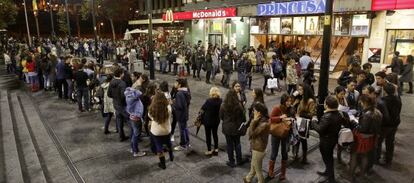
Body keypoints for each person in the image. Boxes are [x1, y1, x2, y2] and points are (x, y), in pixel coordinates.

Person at [311, 95, 345, 183]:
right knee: (329, 158)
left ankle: (331, 179)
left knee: (328, 159)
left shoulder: (327, 116)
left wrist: (314, 121)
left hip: (326, 141)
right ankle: (328, 173)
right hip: (333, 139)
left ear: (327, 105)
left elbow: (319, 129)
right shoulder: (339, 113)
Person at [350, 95, 382, 181]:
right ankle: (362, 174)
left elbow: (362, 129)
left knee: (354, 156)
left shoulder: (367, 115)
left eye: (361, 101)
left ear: (364, 103)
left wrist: (354, 122)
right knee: (365, 156)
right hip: (371, 138)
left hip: (362, 139)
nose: (359, 103)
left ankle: (352, 175)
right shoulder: (377, 112)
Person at [268, 94, 294, 180]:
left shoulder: (291, 109)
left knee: (284, 153)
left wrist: (291, 120)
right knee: (274, 152)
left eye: (290, 101)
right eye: (288, 101)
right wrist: (280, 117)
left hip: (286, 134)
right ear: (283, 101)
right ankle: (270, 171)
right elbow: (271, 119)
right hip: (276, 133)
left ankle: (283, 173)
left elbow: (294, 119)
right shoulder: (277, 108)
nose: (289, 103)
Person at [376, 83, 402, 167]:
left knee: (378, 142)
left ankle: (376, 159)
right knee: (390, 142)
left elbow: (380, 115)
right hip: (395, 124)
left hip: (385, 125)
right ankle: (388, 160)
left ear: (385, 91)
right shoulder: (398, 99)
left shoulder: (382, 101)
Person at [243, 103, 269, 183]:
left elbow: (251, 134)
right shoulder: (262, 120)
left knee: (258, 170)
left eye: (254, 111)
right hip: (258, 147)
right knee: (253, 166)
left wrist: (253, 121)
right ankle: (248, 179)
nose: (253, 112)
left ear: (259, 112)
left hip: (258, 149)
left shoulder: (263, 124)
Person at [220, 90, 246, 168]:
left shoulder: (223, 105)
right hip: (236, 128)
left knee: (229, 145)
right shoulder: (239, 105)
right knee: (237, 143)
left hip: (227, 128)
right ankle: (239, 159)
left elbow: (221, 116)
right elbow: (243, 118)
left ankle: (231, 161)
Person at [149, 92, 174, 169]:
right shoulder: (168, 108)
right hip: (166, 130)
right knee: (168, 143)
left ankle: (163, 164)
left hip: (156, 131)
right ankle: (171, 156)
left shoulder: (151, 108)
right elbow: (170, 116)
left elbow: (150, 117)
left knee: (159, 147)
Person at [295, 83, 316, 164]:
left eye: (301, 89)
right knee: (297, 138)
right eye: (299, 89)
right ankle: (296, 154)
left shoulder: (310, 101)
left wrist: (301, 114)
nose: (299, 91)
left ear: (305, 90)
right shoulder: (301, 98)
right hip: (298, 120)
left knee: (303, 140)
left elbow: (311, 114)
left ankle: (304, 157)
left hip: (303, 122)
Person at [124, 85, 146, 157]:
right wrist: (135, 90)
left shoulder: (129, 95)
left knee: (133, 134)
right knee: (136, 135)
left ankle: (132, 148)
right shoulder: (134, 97)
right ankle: (136, 152)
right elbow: (139, 93)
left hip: (132, 117)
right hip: (136, 118)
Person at [108, 68, 129, 142]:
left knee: (119, 121)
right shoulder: (122, 83)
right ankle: (135, 137)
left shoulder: (111, 82)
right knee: (130, 120)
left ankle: (121, 136)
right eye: (122, 73)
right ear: (120, 74)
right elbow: (123, 95)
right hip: (122, 105)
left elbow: (109, 94)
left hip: (115, 104)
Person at [201, 87, 222, 156]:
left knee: (208, 135)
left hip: (208, 121)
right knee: (215, 134)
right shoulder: (220, 100)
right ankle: (216, 149)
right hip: (216, 120)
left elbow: (202, 108)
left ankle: (209, 150)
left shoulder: (209, 101)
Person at [173, 78, 192, 151]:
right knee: (185, 129)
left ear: (180, 85)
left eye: (176, 83)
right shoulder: (186, 91)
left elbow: (179, 106)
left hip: (181, 115)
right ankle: (187, 143)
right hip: (185, 113)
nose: (175, 84)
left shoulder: (179, 93)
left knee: (182, 130)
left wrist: (174, 103)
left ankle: (183, 144)